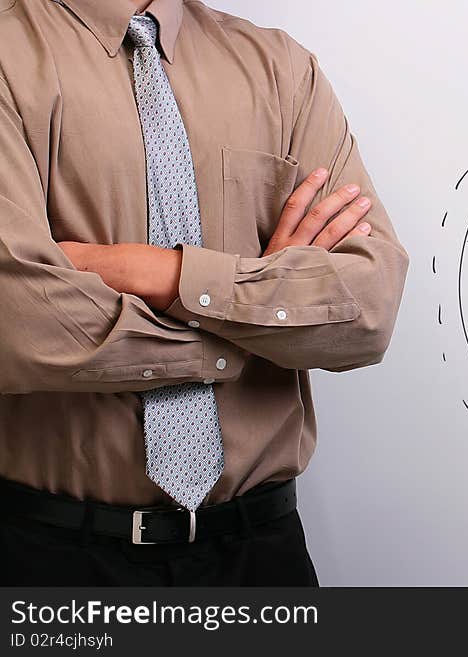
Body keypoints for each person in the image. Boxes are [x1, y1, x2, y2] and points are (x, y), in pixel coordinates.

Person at [0, 0, 409, 586]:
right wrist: (254, 312)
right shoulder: (8, 54)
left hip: (262, 557)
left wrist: (154, 273)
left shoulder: (281, 68)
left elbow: (368, 310)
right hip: (50, 559)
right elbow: (20, 325)